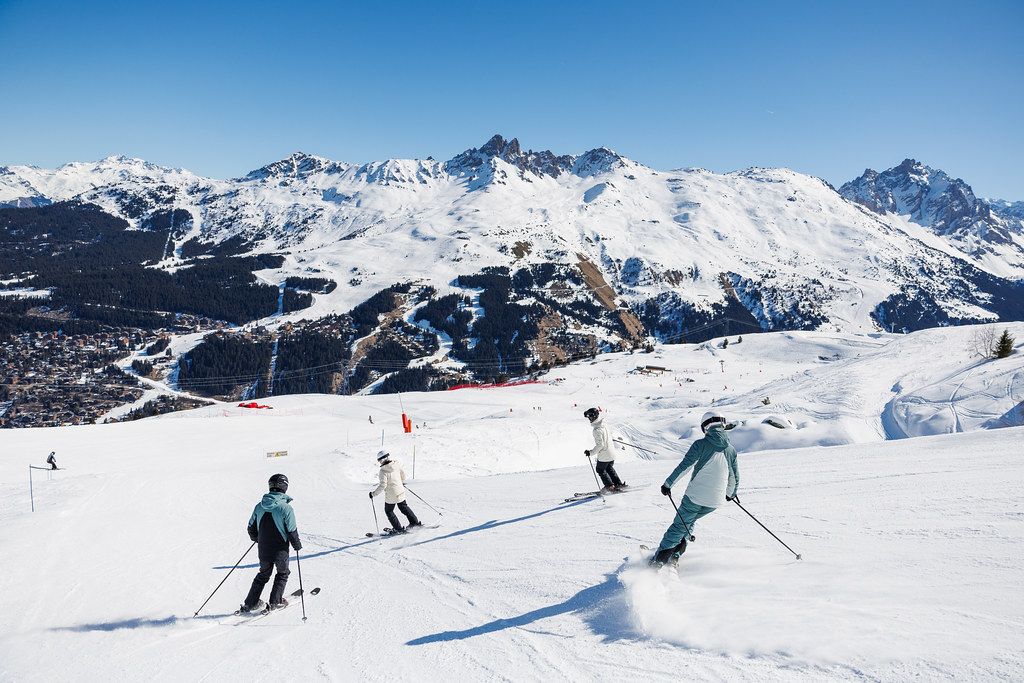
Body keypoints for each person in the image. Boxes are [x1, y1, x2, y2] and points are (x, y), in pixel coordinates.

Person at [650, 411, 739, 568]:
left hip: (695, 497)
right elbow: (734, 476)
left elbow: (685, 467)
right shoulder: (730, 449)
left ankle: (659, 560)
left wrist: (668, 484)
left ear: (706, 426)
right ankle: (677, 553)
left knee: (679, 525)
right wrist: (730, 494)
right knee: (688, 522)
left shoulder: (701, 445)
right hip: (715, 502)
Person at [239, 473, 302, 613]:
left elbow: (251, 527)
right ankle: (275, 602)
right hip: (280, 549)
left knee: (263, 574)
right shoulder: (286, 508)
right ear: (285, 487)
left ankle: (251, 603)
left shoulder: (259, 506)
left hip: (263, 548)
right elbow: (291, 530)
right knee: (282, 573)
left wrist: (256, 538)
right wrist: (297, 545)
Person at [369, 450, 421, 534]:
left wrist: (373, 494)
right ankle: (414, 522)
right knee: (404, 507)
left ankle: (398, 529)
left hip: (391, 495)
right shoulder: (396, 464)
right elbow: (403, 474)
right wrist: (401, 482)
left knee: (389, 511)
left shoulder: (383, 471)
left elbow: (383, 485)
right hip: (400, 491)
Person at [583, 407, 625, 492]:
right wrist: (608, 438)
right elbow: (610, 432)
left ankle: (610, 487)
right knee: (609, 467)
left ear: (594, 417)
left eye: (590, 417)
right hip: (611, 452)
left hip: (605, 454)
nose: (589, 419)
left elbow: (600, 445)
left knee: (600, 469)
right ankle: (618, 484)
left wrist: (590, 452)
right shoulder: (604, 423)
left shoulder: (597, 430)